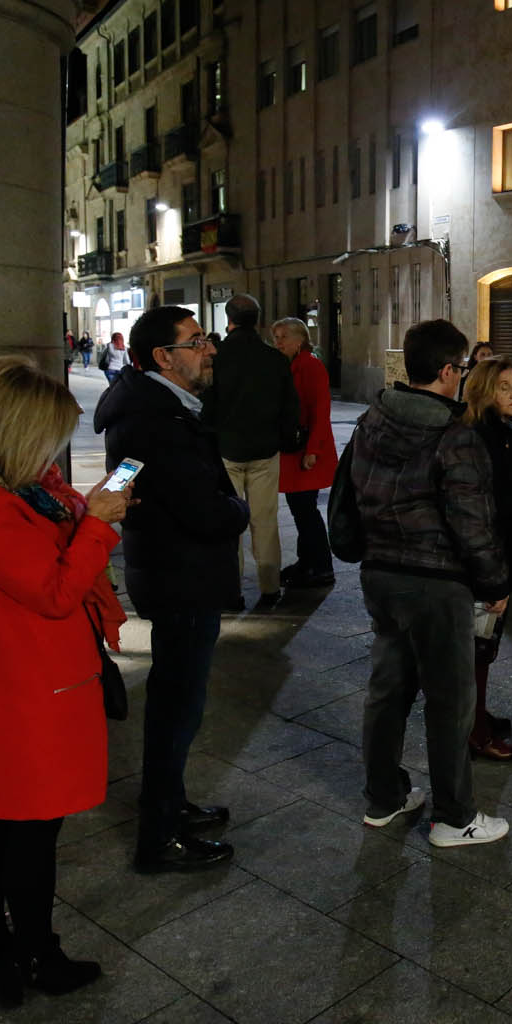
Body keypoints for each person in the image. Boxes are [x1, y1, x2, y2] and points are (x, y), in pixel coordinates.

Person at [0, 357, 134, 1002]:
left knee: (2, 820)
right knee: (33, 827)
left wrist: (88, 516)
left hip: (13, 679)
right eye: (48, 436)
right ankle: (37, 952)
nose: (55, 451)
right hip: (20, 690)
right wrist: (99, 524)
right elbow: (53, 591)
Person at [95, 305, 249, 873]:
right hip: (181, 575)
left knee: (175, 701)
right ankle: (159, 835)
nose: (209, 349)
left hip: (169, 569)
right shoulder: (157, 420)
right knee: (176, 707)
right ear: (164, 357)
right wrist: (237, 510)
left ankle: (170, 804)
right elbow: (205, 511)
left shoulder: (154, 407)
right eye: (197, 341)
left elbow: (127, 485)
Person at [348, 318, 512, 847]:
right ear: (447, 371)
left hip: (380, 574)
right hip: (437, 582)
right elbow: (472, 521)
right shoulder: (454, 435)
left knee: (387, 690)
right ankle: (455, 817)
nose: (463, 377)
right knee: (450, 700)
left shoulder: (373, 417)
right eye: (462, 368)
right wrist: (494, 582)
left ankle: (383, 798)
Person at [460, 357, 512, 761]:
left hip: (500, 559)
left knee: (482, 646)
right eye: (502, 386)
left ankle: (475, 714)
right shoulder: (482, 438)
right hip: (488, 564)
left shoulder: (504, 435)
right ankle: (474, 730)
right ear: (483, 390)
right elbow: (492, 511)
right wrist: (493, 578)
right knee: (479, 646)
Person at [202, 294, 300, 611]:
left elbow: (207, 406)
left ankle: (231, 590)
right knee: (265, 520)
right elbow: (290, 407)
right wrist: (285, 440)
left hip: (226, 451)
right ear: (257, 321)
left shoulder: (217, 358)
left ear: (228, 321)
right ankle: (270, 587)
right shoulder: (274, 359)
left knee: (230, 522)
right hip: (265, 451)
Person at [272, 317, 338, 589]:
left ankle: (322, 567)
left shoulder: (310, 366)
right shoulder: (289, 366)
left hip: (307, 452)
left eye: (283, 337)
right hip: (294, 450)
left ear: (300, 340)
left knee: (305, 511)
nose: (277, 342)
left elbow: (320, 411)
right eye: (275, 337)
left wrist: (312, 451)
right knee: (302, 510)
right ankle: (307, 562)